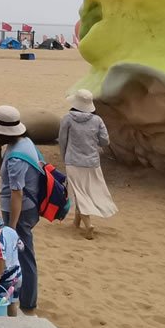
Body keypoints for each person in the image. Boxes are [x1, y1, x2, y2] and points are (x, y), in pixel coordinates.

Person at [0, 104, 41, 313]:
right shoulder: (22, 142)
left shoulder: (17, 157)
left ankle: (28, 304)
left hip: (20, 210)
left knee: (24, 255)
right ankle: (16, 297)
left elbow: (17, 193)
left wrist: (11, 227)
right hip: (23, 207)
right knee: (18, 254)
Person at [59, 89, 117, 240]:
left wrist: (64, 157)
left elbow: (62, 140)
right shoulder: (97, 120)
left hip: (73, 161)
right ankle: (76, 222)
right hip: (92, 162)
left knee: (79, 193)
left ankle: (88, 224)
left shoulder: (68, 118)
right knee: (86, 191)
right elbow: (105, 141)